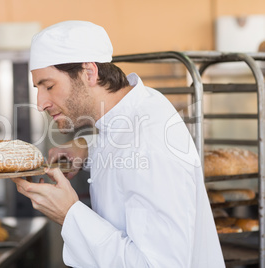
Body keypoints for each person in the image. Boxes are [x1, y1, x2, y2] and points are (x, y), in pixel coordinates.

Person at [11, 20, 225, 267]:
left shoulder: (150, 141)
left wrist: (70, 213)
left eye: (49, 86)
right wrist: (87, 147)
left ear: (89, 73)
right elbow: (120, 138)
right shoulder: (134, 109)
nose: (40, 103)